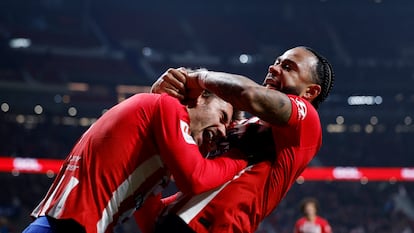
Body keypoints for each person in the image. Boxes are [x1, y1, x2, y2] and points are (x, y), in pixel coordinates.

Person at [151, 46, 335, 233]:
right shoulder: (241, 126)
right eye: (276, 62)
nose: (273, 68)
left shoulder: (307, 121)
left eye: (288, 67)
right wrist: (170, 90)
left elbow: (249, 94)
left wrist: (195, 78)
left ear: (310, 92)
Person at [22, 90, 250, 233]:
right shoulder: (168, 106)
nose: (221, 131)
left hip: (55, 224)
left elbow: (151, 219)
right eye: (222, 117)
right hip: (72, 226)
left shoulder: (150, 151)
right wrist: (241, 159)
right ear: (200, 97)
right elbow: (195, 178)